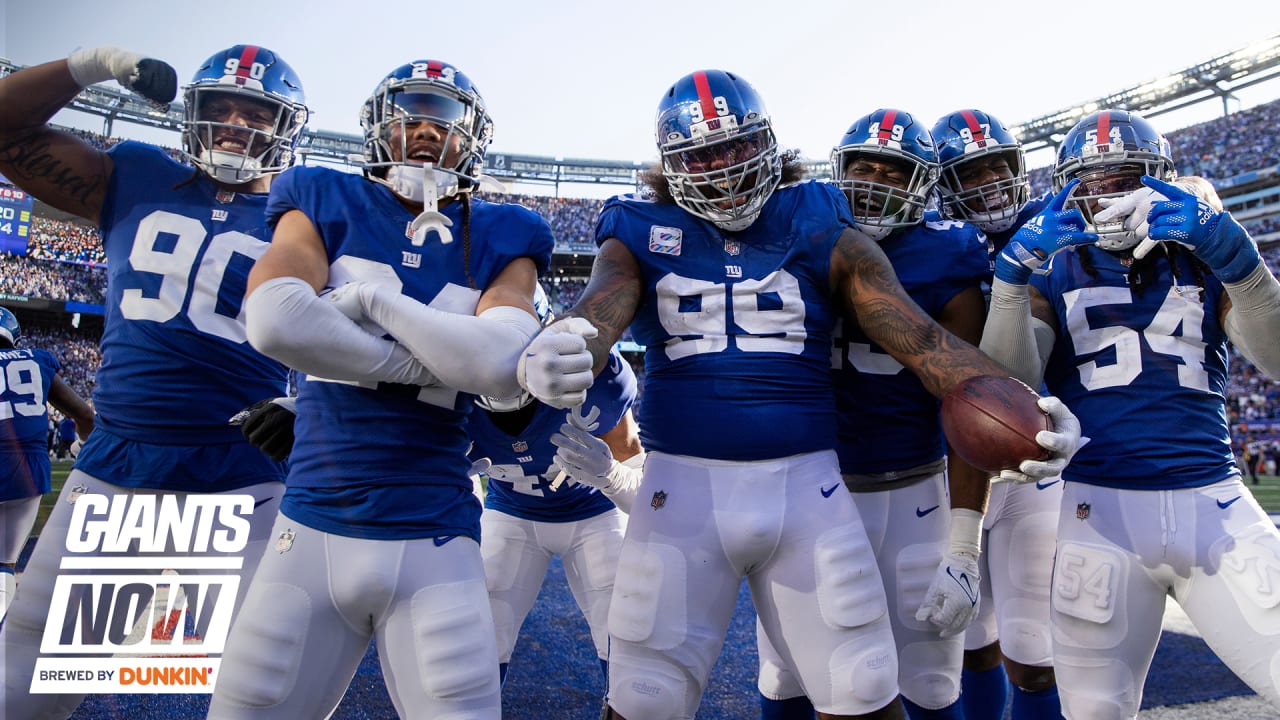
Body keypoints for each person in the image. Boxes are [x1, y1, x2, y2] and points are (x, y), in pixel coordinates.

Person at [516, 69, 1081, 720]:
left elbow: (923, 342)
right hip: (682, 492)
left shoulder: (815, 218)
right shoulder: (637, 226)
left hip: (813, 490)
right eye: (702, 156)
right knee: (648, 696)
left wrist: (1013, 402)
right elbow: (600, 307)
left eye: (735, 149)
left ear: (769, 144)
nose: (723, 172)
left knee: (866, 687)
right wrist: (561, 345)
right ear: (671, 165)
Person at [206, 58, 554, 719]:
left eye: (444, 115)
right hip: (311, 523)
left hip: (435, 533)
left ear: (471, 135)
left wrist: (367, 301)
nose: (425, 127)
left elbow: (500, 363)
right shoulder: (320, 194)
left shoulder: (508, 230)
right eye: (410, 110)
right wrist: (442, 364)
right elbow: (275, 321)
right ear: (377, 126)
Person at [0, 44, 307, 717]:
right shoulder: (139, 175)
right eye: (218, 108)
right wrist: (94, 63)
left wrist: (304, 398)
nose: (233, 123)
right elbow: (6, 129)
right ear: (190, 115)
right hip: (117, 465)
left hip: (243, 478)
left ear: (285, 125)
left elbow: (366, 332)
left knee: (256, 688)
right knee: (33, 675)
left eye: (252, 110)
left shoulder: (307, 215)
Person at [979, 108, 1280, 718]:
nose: (1109, 194)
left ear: (1160, 178)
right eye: (1092, 181)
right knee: (1095, 711)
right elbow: (1009, 383)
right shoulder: (1052, 266)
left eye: (1126, 177)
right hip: (1098, 515)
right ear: (1069, 189)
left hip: (1213, 504)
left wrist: (1244, 268)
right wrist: (1010, 281)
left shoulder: (1202, 251)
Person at [754, 108, 990, 720]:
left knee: (933, 678)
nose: (876, 183)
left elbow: (963, 402)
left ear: (922, 186)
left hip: (914, 490)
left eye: (895, 171)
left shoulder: (950, 254)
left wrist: (964, 547)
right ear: (840, 172)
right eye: (864, 168)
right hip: (811, 489)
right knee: (790, 673)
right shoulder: (796, 234)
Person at [932, 108, 1063, 719]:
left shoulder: (1058, 229)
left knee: (1034, 654)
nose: (989, 182)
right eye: (971, 171)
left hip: (1033, 460)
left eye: (998, 166)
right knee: (967, 644)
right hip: (947, 463)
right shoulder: (922, 243)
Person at [0, 308, 95, 623]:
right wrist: (82, 448)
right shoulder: (36, 359)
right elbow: (85, 416)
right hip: (26, 473)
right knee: (4, 563)